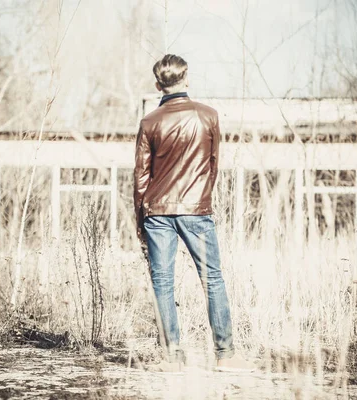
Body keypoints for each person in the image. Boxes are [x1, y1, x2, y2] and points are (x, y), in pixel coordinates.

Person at [134, 54, 252, 372]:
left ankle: (172, 358)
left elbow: (141, 178)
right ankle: (225, 355)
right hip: (197, 209)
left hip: (156, 211)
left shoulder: (149, 122)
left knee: (162, 282)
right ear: (187, 79)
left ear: (158, 85)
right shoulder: (209, 116)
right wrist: (202, 198)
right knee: (212, 279)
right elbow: (213, 165)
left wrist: (139, 223)